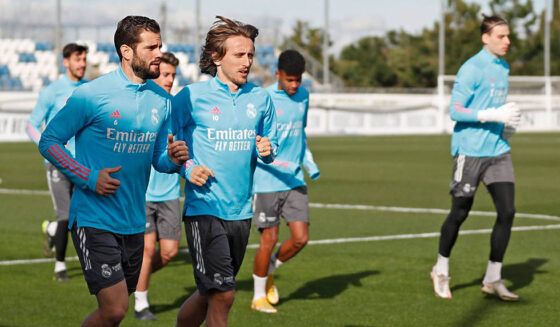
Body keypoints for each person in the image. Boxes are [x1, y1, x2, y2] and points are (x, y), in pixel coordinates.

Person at [38, 16, 189, 326]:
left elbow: (158, 159)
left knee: (113, 314)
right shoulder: (92, 94)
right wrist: (88, 177)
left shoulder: (163, 101)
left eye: (160, 46)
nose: (158, 53)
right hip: (94, 219)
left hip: (133, 222)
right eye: (151, 47)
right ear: (127, 51)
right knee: (116, 308)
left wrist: (173, 160)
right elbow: (49, 141)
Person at [172, 16, 277, 327]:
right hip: (204, 210)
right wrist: (188, 168)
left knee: (209, 292)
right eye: (239, 55)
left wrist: (269, 151)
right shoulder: (190, 97)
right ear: (217, 57)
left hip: (241, 211)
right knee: (224, 294)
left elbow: (270, 145)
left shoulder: (260, 98)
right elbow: (165, 147)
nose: (247, 62)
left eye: (250, 55)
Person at [431, 15, 521, 302]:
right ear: (486, 38)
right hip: (469, 151)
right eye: (501, 37)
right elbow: (456, 111)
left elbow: (496, 107)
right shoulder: (471, 68)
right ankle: (441, 268)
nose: (507, 41)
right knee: (460, 212)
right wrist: (490, 115)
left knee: (507, 211)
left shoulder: (503, 68)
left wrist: (505, 126)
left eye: (508, 36)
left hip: (498, 151)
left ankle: (493, 278)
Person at [250, 49, 320, 313]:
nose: (294, 85)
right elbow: (256, 141)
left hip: (294, 179)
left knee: (301, 238)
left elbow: (300, 133)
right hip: (266, 180)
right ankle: (258, 298)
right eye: (289, 79)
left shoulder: (304, 96)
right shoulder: (263, 98)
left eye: (298, 80)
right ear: (277, 74)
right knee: (269, 239)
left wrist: (309, 162)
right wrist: (273, 161)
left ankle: (269, 269)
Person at [26, 42, 88, 281]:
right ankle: (60, 266)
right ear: (66, 62)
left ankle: (53, 231)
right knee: (65, 214)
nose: (81, 64)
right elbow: (31, 126)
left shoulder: (89, 90)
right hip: (57, 163)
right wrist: (48, 151)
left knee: (81, 214)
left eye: (84, 59)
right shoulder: (52, 92)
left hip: (82, 163)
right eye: (77, 59)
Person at [134, 52, 182, 321]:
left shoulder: (177, 108)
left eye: (173, 75)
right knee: (147, 249)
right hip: (143, 192)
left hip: (171, 192)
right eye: (165, 74)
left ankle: (133, 280)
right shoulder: (144, 104)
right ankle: (141, 302)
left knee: (170, 251)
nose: (170, 80)